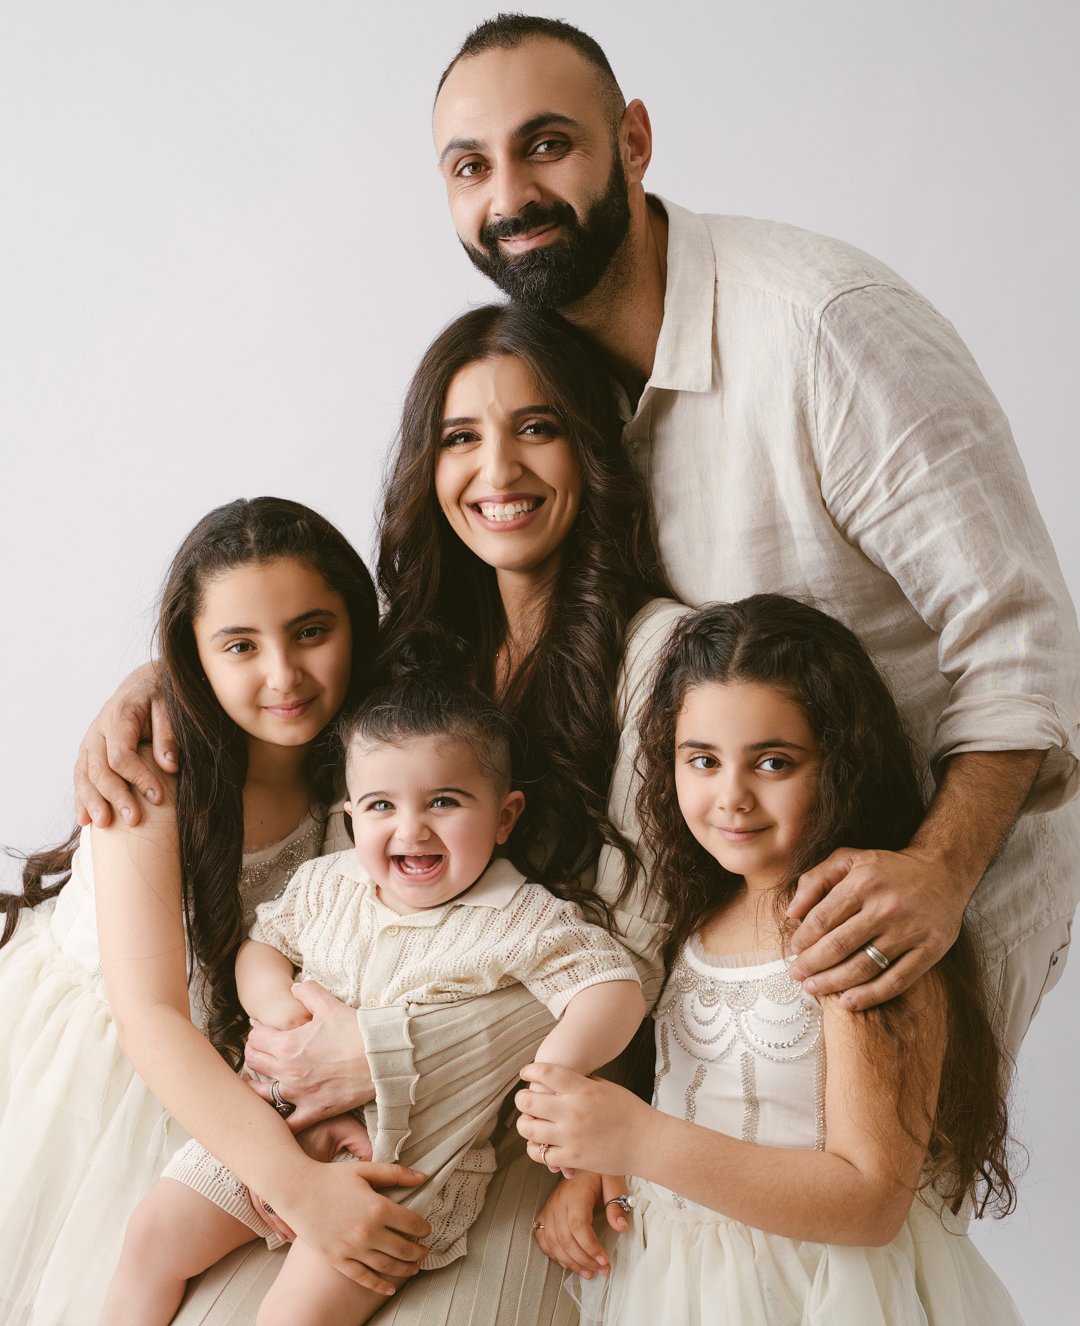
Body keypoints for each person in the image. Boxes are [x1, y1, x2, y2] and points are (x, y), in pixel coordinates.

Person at [71, 306, 684, 1326]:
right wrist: (152, 679)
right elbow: (265, 659)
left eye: (536, 428)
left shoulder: (654, 659)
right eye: (461, 436)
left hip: (473, 1139)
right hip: (268, 1118)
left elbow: (622, 972)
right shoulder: (416, 652)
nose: (499, 467)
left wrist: (473, 1071)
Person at [429, 14, 1080, 1054]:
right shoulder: (551, 384)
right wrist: (180, 671)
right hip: (713, 904)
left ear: (633, 142)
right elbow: (456, 589)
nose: (509, 197)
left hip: (923, 871)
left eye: (547, 145)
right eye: (471, 166)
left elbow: (1024, 631)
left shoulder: (823, 328)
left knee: (866, 1208)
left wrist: (939, 871)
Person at [515, 596, 1080, 1326]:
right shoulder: (699, 914)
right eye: (701, 760)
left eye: (774, 761)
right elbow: (700, 1096)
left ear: (841, 764)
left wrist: (638, 1135)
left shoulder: (855, 935)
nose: (730, 796)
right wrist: (606, 1163)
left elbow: (868, 1196)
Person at [50, 670, 644, 1326]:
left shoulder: (520, 916)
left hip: (394, 1181)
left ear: (504, 813)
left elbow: (612, 986)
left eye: (443, 803)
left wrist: (559, 1064)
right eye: (379, 805)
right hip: (275, 1130)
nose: (408, 831)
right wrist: (273, 1007)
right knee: (155, 1231)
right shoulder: (332, 884)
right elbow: (260, 945)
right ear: (350, 811)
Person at [0, 496, 427, 1326]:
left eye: (312, 630)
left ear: (360, 626)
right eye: (238, 644)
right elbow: (150, 1019)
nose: (282, 673)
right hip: (81, 1079)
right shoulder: (157, 772)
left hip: (219, 1087)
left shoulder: (379, 768)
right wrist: (302, 1191)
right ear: (188, 654)